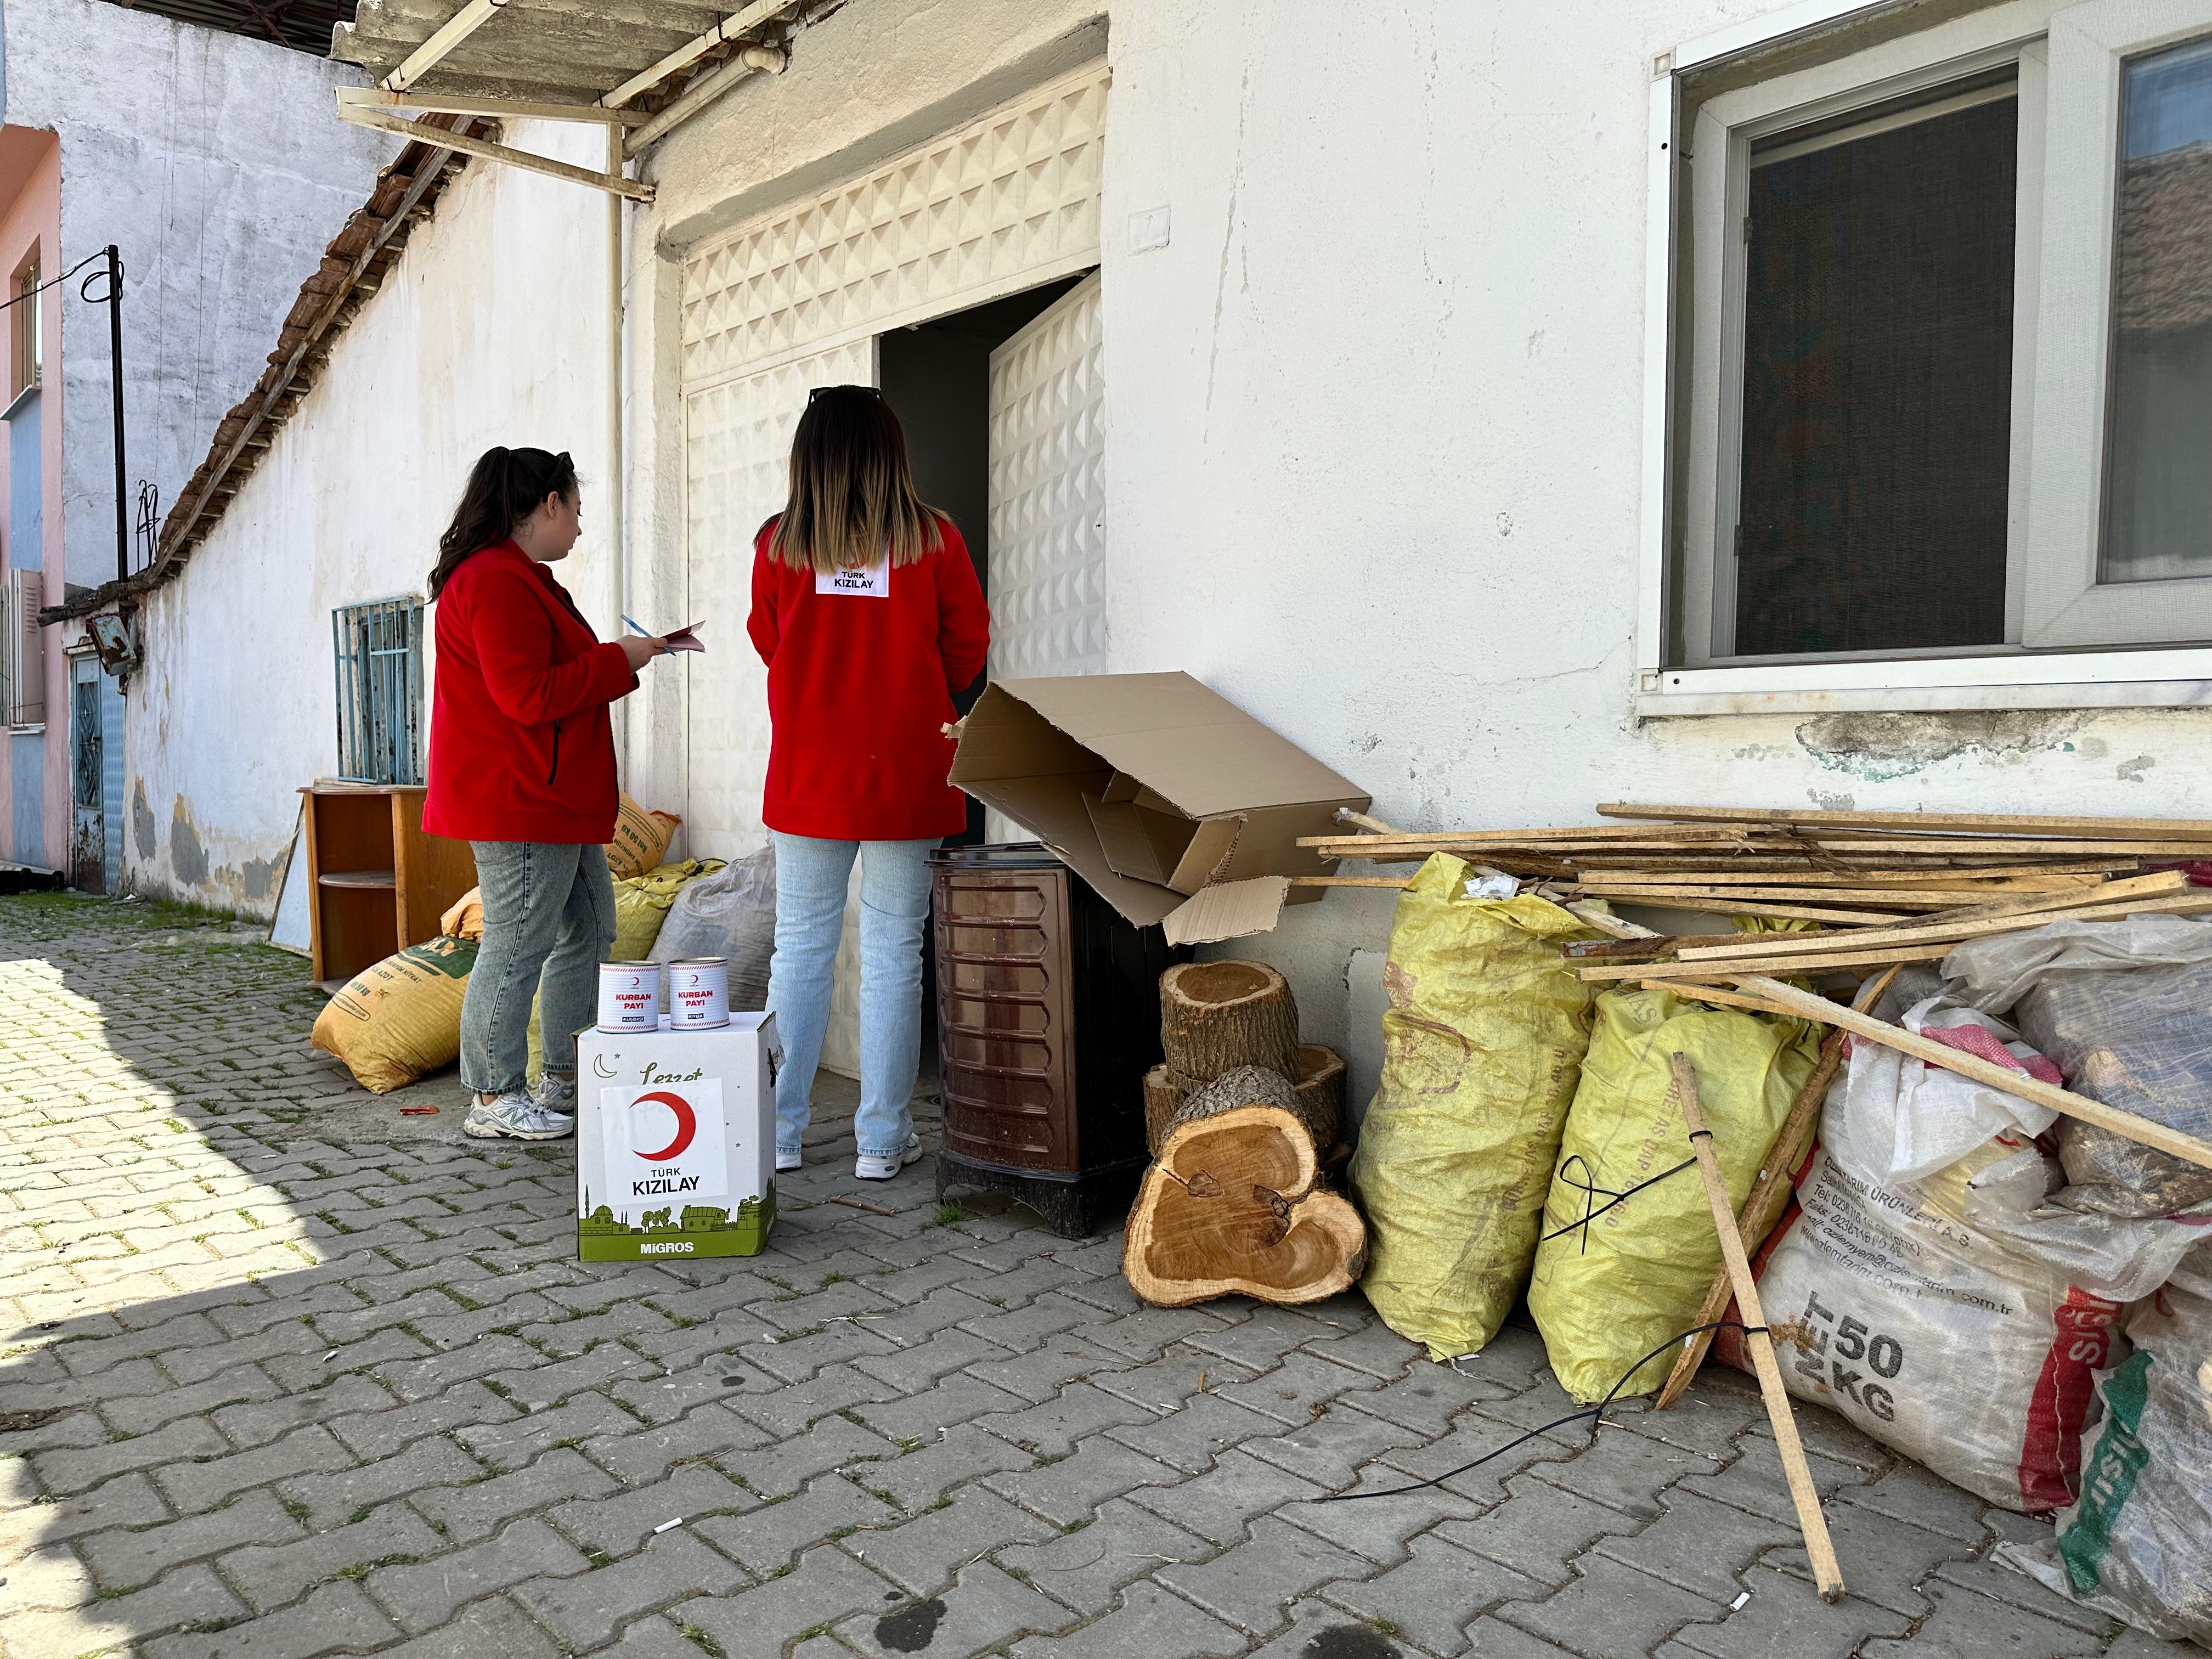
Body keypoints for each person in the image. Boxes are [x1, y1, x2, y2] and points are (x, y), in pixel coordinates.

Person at [748, 386, 989, 1180]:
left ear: (808, 454)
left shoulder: (779, 544)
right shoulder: (935, 540)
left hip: (811, 771)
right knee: (894, 952)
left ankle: (779, 1133)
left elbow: (768, 640)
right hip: (909, 769)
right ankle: (882, 1141)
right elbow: (968, 648)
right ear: (893, 452)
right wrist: (914, 691)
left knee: (801, 952)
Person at [422, 446, 670, 1141]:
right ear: (550, 504)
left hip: (549, 799)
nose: (581, 529)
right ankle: (493, 1095)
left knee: (590, 927)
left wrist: (614, 660)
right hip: (522, 799)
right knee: (515, 945)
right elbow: (527, 695)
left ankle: (565, 1076)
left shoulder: (516, 578)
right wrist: (618, 660)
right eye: (578, 511)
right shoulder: (497, 582)